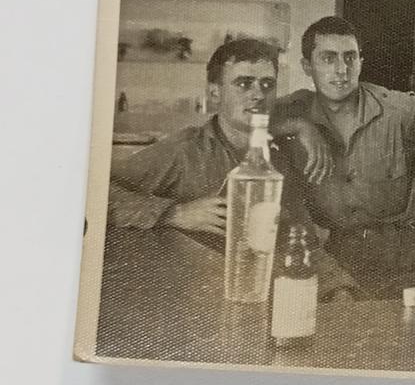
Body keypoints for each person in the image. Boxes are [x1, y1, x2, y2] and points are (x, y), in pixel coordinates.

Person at [107, 38, 358, 300]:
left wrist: (339, 290)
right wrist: (173, 213)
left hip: (262, 298)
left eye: (267, 84)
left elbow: (300, 239)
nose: (258, 94)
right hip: (191, 302)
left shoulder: (279, 158)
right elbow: (95, 193)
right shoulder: (184, 151)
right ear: (215, 94)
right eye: (243, 83)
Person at [270, 16, 415, 300]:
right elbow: (238, 123)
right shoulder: (294, 110)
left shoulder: (401, 113)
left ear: (361, 62)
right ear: (307, 66)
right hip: (332, 273)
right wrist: (300, 127)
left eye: (350, 58)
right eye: (328, 59)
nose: (342, 70)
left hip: (405, 274)